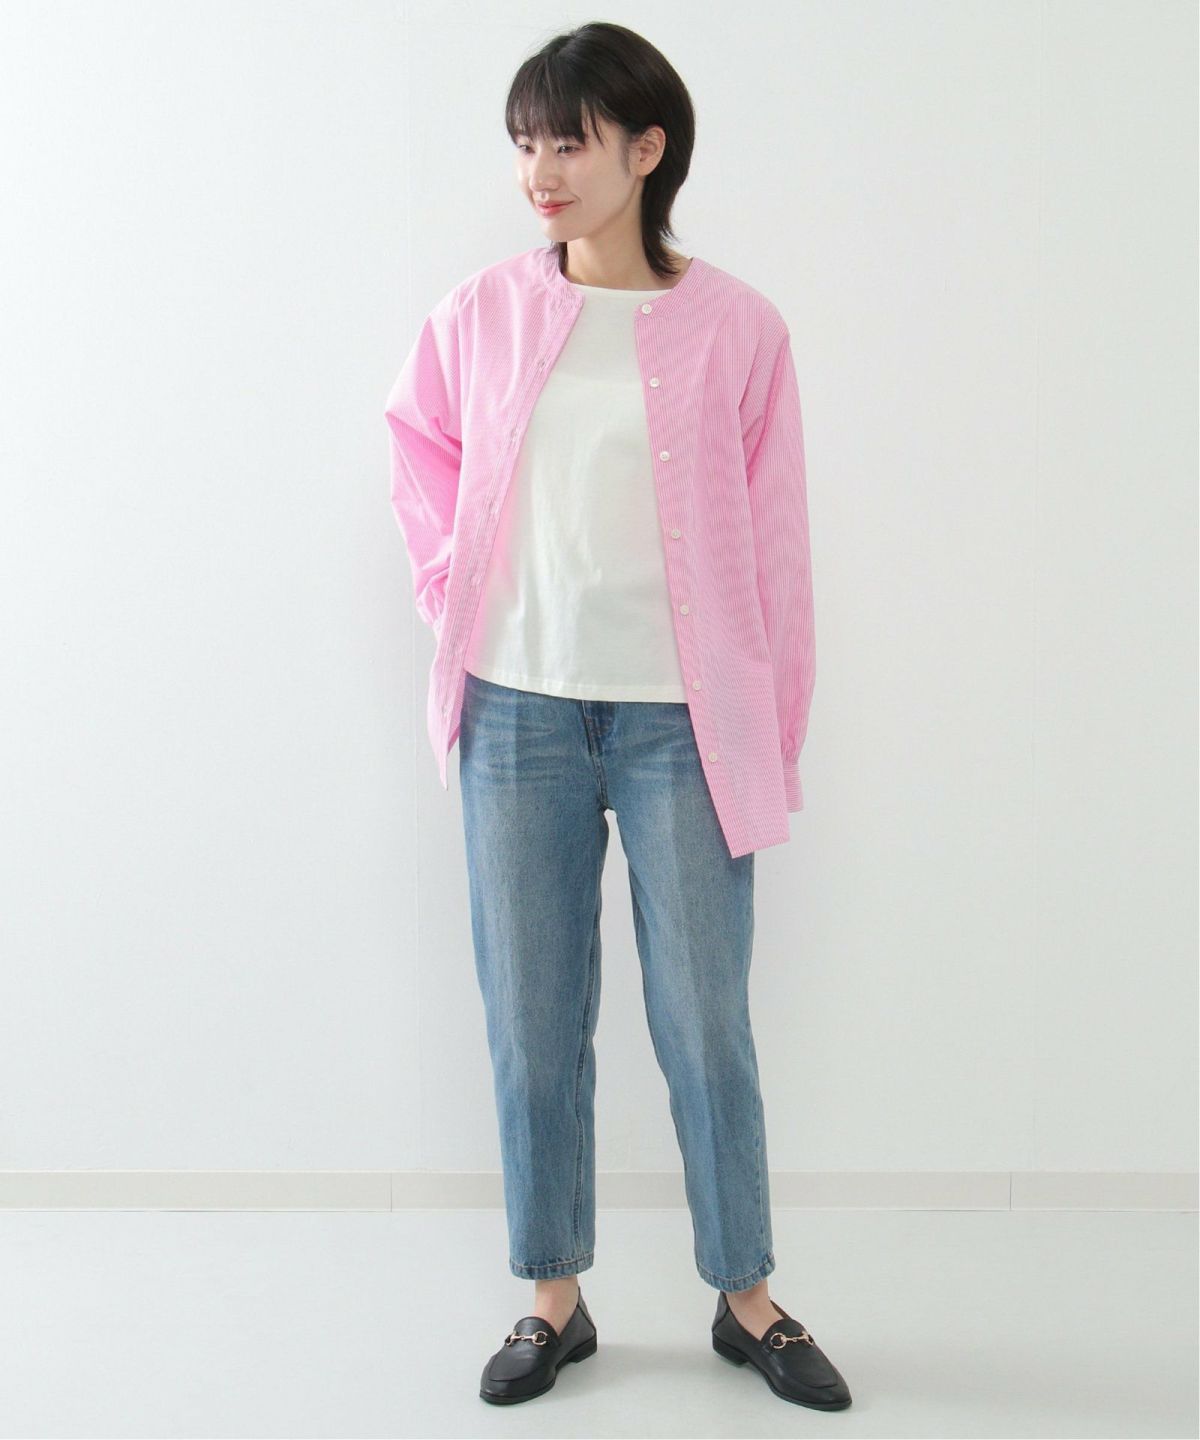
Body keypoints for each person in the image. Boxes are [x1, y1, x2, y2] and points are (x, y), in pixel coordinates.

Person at [384, 20, 851, 1412]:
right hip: (517, 711)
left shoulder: (741, 330)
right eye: (526, 141)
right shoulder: (478, 315)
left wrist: (772, 730)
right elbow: (417, 449)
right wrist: (449, 590)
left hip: (681, 725)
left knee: (705, 1016)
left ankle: (747, 1297)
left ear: (647, 150)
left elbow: (777, 548)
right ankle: (553, 1298)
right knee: (533, 1016)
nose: (540, 169)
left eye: (569, 141)